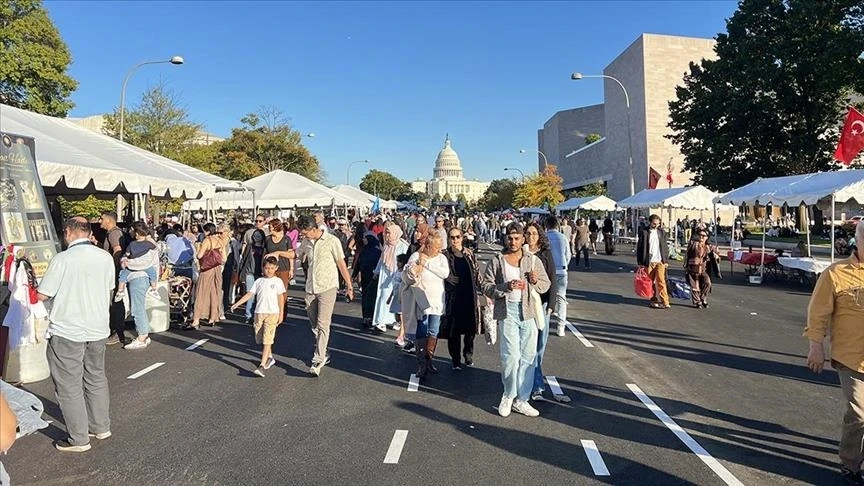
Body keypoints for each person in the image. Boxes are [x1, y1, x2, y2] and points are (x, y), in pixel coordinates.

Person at [37, 216, 115, 452]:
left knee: (69, 385)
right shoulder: (105, 257)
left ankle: (79, 438)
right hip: (98, 327)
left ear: (68, 232)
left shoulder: (63, 259)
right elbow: (109, 289)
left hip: (68, 329)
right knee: (96, 377)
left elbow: (43, 294)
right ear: (88, 232)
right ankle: (101, 426)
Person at [804, 222, 864, 484]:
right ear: (857, 240)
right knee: (860, 414)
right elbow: (817, 313)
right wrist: (816, 346)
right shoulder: (836, 274)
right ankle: (851, 461)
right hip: (850, 358)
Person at [483, 223, 550, 418]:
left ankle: (522, 399)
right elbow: (486, 286)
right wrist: (505, 286)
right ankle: (508, 395)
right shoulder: (498, 260)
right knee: (510, 356)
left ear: (523, 239)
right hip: (508, 312)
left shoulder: (532, 260)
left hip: (528, 312)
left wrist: (536, 280)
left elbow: (545, 285)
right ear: (506, 239)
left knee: (528, 357)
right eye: (510, 238)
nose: (513, 242)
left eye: (517, 238)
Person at [296, 215, 354, 377]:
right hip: (311, 287)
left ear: (314, 229)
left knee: (323, 323)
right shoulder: (307, 242)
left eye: (305, 233)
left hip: (328, 286)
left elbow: (341, 263)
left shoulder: (332, 241)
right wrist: (279, 253)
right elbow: (296, 254)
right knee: (314, 322)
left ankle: (318, 358)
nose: (303, 236)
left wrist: (349, 285)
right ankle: (323, 347)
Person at [525, 222, 570, 403]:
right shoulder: (522, 254)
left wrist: (552, 304)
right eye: (528, 233)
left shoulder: (545, 253)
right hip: (525, 304)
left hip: (542, 304)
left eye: (534, 233)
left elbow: (551, 279)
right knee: (528, 346)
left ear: (540, 235)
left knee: (539, 347)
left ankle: (534, 380)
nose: (531, 237)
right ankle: (536, 386)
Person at [402, 229, 449, 379]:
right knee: (421, 331)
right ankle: (421, 364)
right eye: (436, 247)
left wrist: (427, 263)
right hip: (421, 301)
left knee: (433, 331)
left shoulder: (441, 258)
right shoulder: (416, 256)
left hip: (436, 301)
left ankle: (429, 361)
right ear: (428, 246)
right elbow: (409, 274)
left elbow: (444, 274)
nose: (439, 250)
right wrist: (418, 264)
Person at [230, 256, 286, 377]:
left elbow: (281, 298)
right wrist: (237, 303)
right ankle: (270, 357)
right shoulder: (259, 281)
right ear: (263, 268)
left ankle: (262, 365)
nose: (269, 270)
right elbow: (250, 293)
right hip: (259, 313)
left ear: (276, 268)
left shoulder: (277, 282)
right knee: (260, 338)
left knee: (267, 339)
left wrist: (281, 314)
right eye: (267, 268)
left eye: (272, 268)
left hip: (272, 313)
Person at [441, 227, 482, 370]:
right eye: (452, 237)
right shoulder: (445, 255)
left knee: (470, 330)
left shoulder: (469, 254)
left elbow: (477, 274)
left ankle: (468, 354)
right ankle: (455, 360)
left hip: (469, 296)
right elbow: (437, 271)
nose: (455, 240)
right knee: (454, 331)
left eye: (457, 237)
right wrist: (447, 277)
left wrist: (487, 293)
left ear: (462, 237)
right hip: (453, 297)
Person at [120, 221, 160, 350]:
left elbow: (136, 262)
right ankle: (143, 334)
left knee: (137, 308)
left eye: (132, 230)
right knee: (139, 307)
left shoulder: (134, 245)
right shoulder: (151, 245)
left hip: (137, 278)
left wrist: (126, 262)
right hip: (144, 278)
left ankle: (142, 337)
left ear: (136, 232)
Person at [187, 223, 232, 330]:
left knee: (201, 292)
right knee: (214, 292)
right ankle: (213, 317)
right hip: (217, 269)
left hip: (207, 269)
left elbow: (199, 255)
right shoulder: (221, 242)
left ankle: (196, 319)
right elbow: (224, 259)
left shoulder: (207, 240)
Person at [371, 222, 410, 332]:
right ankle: (381, 320)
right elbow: (382, 259)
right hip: (385, 275)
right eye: (386, 233)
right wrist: (377, 271)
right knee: (383, 297)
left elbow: (404, 262)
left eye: (389, 234)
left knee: (395, 299)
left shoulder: (403, 246)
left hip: (396, 276)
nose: (387, 236)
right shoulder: (387, 245)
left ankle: (393, 320)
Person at [98, 211, 128, 346]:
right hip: (115, 271)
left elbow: (117, 250)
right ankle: (116, 331)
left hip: (114, 272)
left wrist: (113, 268)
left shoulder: (114, 233)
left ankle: (118, 332)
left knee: (115, 302)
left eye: (101, 219)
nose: (100, 221)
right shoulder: (113, 233)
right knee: (114, 301)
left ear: (109, 221)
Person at [114, 221, 159, 302]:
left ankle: (120, 291)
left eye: (131, 230)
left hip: (135, 274)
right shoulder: (150, 243)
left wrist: (125, 259)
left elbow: (127, 254)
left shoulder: (132, 244)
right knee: (153, 274)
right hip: (146, 269)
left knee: (122, 275)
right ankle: (154, 289)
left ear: (136, 232)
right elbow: (155, 251)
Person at [545, 216, 572, 338]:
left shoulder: (544, 238)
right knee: (561, 299)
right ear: (557, 225)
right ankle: (561, 327)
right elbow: (568, 255)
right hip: (561, 271)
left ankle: (544, 323)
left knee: (545, 298)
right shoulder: (563, 238)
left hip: (547, 271)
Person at [636, 214, 671, 309]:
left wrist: (666, 260)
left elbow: (665, 247)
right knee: (650, 282)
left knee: (661, 281)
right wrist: (640, 262)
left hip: (660, 260)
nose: (656, 225)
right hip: (649, 261)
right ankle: (653, 299)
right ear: (650, 222)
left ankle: (665, 301)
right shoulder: (644, 232)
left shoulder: (662, 232)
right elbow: (640, 247)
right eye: (654, 224)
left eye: (658, 224)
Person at [238, 222, 266, 325]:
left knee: (259, 296)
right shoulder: (250, 247)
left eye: (259, 235)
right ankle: (248, 315)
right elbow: (244, 259)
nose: (256, 237)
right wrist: (241, 272)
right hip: (249, 273)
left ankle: (256, 315)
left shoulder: (264, 248)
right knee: (250, 294)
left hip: (260, 273)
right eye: (255, 235)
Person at [353, 233, 381, 328]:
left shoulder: (378, 252)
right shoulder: (364, 250)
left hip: (373, 278)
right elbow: (359, 264)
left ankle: (372, 317)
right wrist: (354, 275)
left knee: (372, 298)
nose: (363, 240)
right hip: (364, 278)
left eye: (365, 238)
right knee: (365, 297)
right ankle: (365, 317)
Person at [263, 219, 295, 294]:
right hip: (271, 269)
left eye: (270, 227)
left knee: (282, 291)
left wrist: (291, 269)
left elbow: (290, 255)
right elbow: (264, 254)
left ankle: (283, 305)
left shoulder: (286, 239)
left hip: (284, 268)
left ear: (276, 227)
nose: (269, 229)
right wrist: (263, 267)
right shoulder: (268, 239)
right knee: (271, 291)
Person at [685, 230, 713, 309]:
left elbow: (713, 255)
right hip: (692, 268)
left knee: (707, 283)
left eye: (703, 236)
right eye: (700, 235)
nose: (701, 237)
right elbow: (689, 252)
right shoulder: (694, 244)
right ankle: (697, 302)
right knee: (694, 286)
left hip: (703, 269)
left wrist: (715, 254)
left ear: (707, 237)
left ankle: (703, 298)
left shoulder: (708, 246)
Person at [391, 253, 412, 350]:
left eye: (400, 262)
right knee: (397, 316)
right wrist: (390, 297)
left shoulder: (404, 273)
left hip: (402, 296)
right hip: (396, 296)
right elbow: (394, 285)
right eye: (397, 261)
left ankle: (401, 335)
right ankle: (403, 331)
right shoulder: (396, 272)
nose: (398, 263)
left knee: (401, 316)